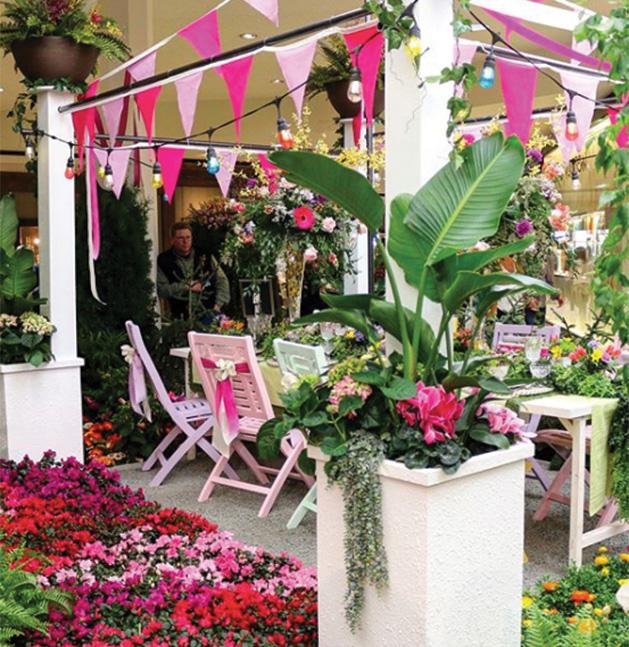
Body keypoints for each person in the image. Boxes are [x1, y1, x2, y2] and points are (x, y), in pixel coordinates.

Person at [156, 221, 230, 320]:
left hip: (208, 312)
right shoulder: (164, 260)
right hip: (180, 317)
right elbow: (162, 290)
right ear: (172, 240)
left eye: (188, 237)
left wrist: (217, 307)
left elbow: (221, 280)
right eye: (181, 238)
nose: (185, 242)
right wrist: (186, 286)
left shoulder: (205, 255)